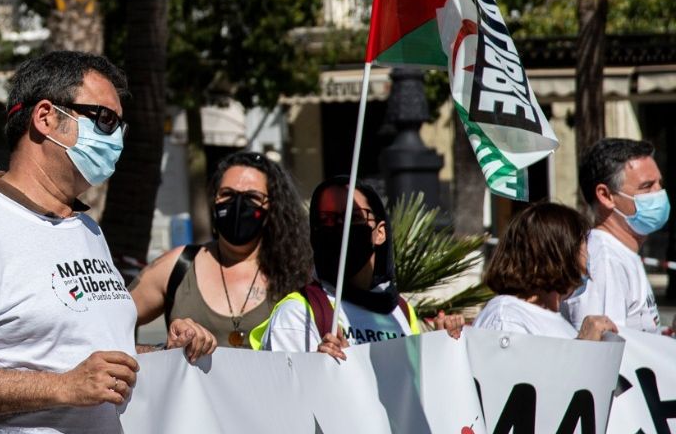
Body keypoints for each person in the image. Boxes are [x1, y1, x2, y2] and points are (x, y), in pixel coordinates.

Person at [0, 50, 215, 434]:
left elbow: (82, 354)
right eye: (105, 120)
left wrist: (164, 356)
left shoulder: (84, 229)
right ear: (46, 117)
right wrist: (63, 387)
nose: (116, 137)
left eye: (121, 125)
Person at [251, 177, 463, 358]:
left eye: (353, 217)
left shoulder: (400, 311)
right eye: (326, 220)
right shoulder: (299, 314)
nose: (339, 227)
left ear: (380, 233)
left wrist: (443, 346)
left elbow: (413, 390)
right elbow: (289, 394)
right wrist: (323, 367)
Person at [132, 151, 312, 348]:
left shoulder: (297, 273)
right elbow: (107, 323)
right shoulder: (178, 266)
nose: (238, 205)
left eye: (252, 197)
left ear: (274, 208)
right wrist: (158, 352)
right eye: (227, 194)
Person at [561, 137, 668, 334]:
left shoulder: (622, 254)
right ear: (605, 195)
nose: (659, 192)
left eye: (659, 184)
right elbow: (605, 350)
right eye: (647, 186)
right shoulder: (606, 261)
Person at [474, 202, 618, 341]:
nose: (589, 252)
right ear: (560, 253)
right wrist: (585, 344)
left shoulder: (558, 321)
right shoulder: (507, 317)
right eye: (583, 242)